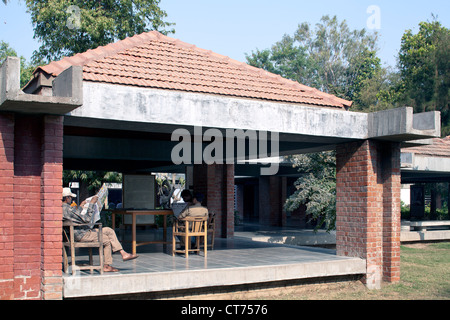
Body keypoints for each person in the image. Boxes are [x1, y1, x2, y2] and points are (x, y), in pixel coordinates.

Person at [62, 187, 138, 272]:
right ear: (66, 198)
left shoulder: (66, 208)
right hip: (82, 234)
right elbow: (86, 219)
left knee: (109, 230)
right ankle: (106, 265)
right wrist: (91, 204)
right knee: (106, 240)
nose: (71, 199)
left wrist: (80, 207)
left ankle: (123, 253)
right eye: (70, 197)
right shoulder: (67, 209)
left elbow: (77, 217)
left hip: (82, 231)